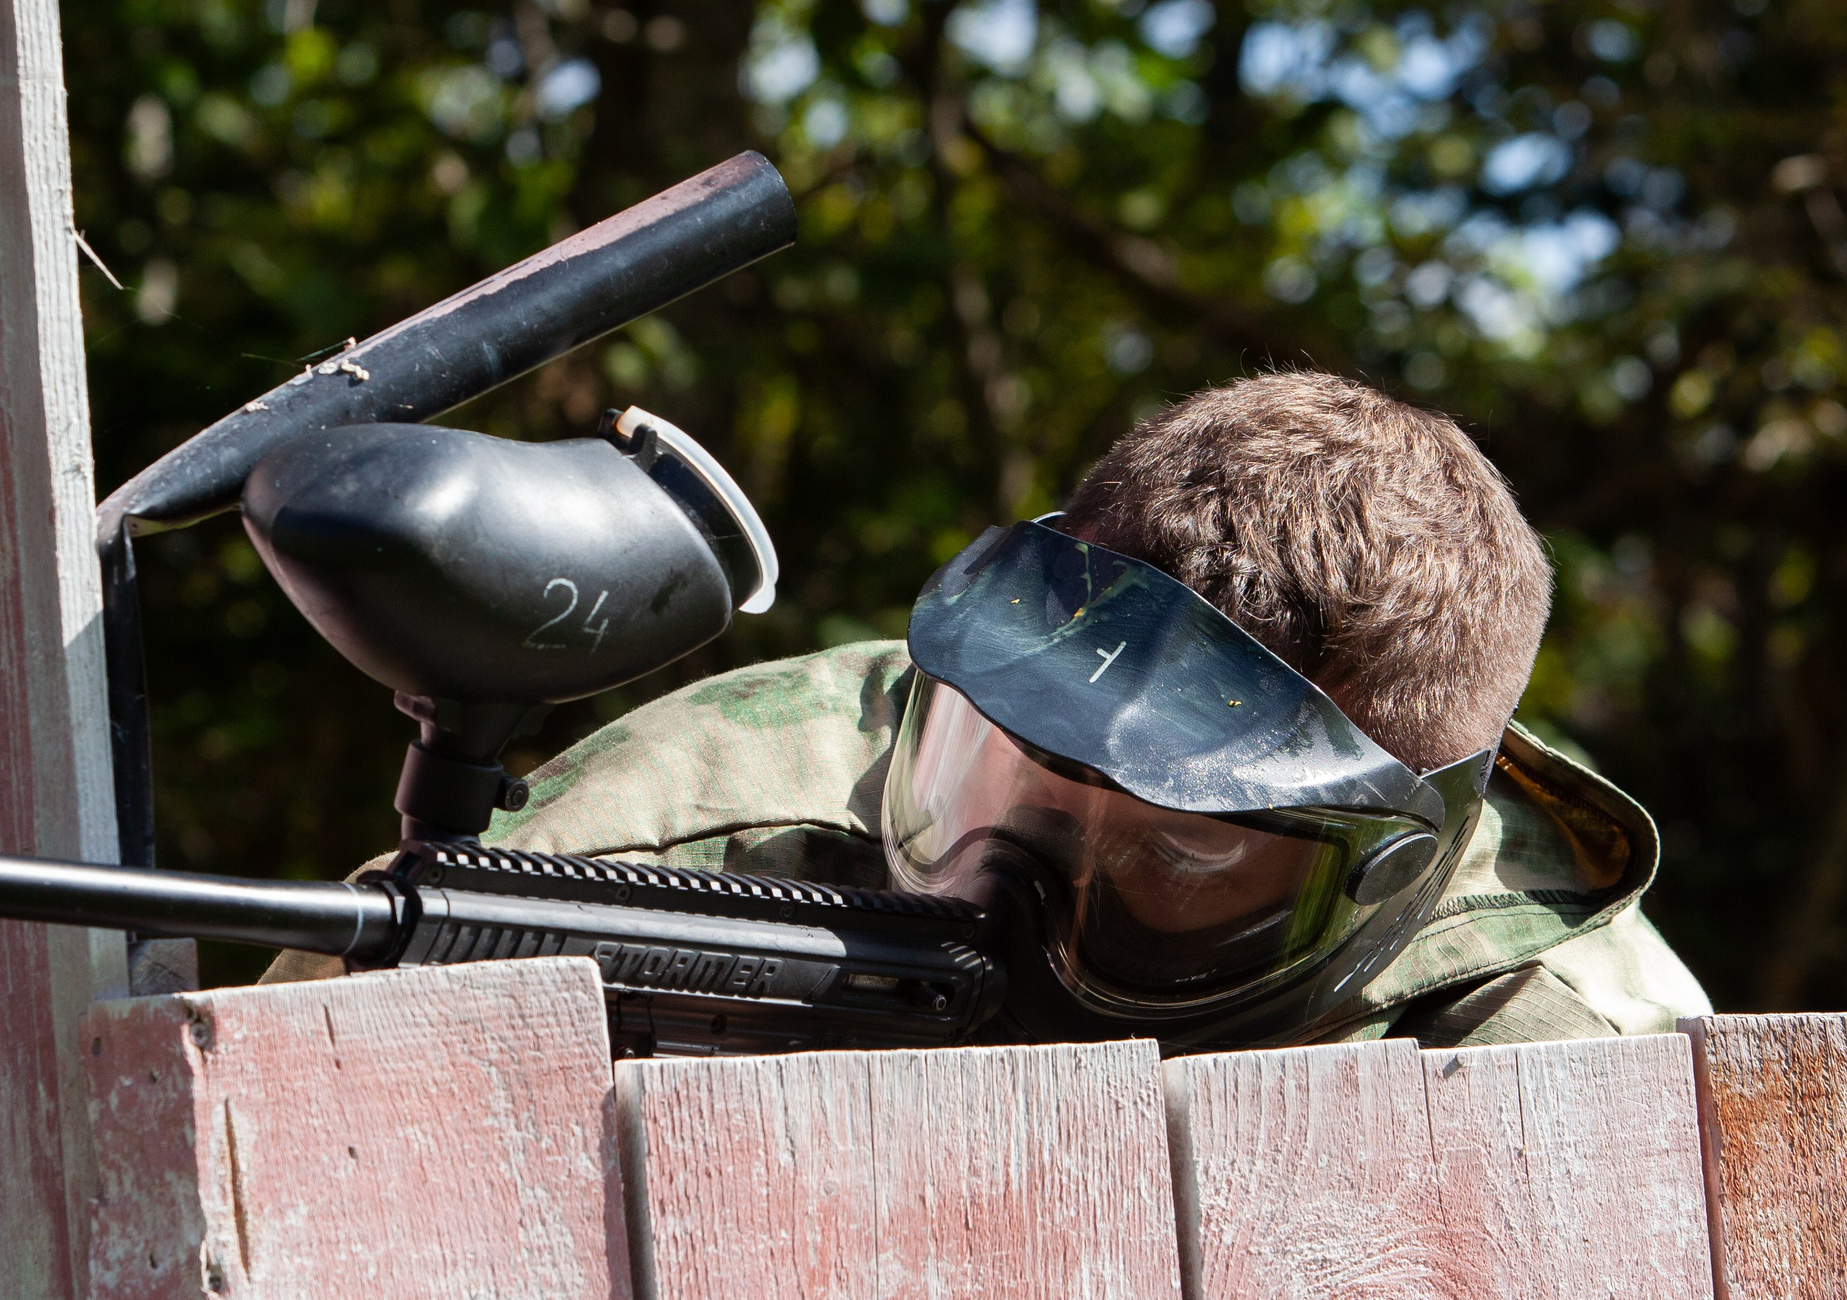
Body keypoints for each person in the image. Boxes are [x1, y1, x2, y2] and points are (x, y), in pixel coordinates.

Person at [268, 371, 1708, 1049]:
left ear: (1391, 873)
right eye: (997, 776)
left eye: (1182, 853)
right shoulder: (675, 851)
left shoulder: (1578, 1059)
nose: (1000, 901)